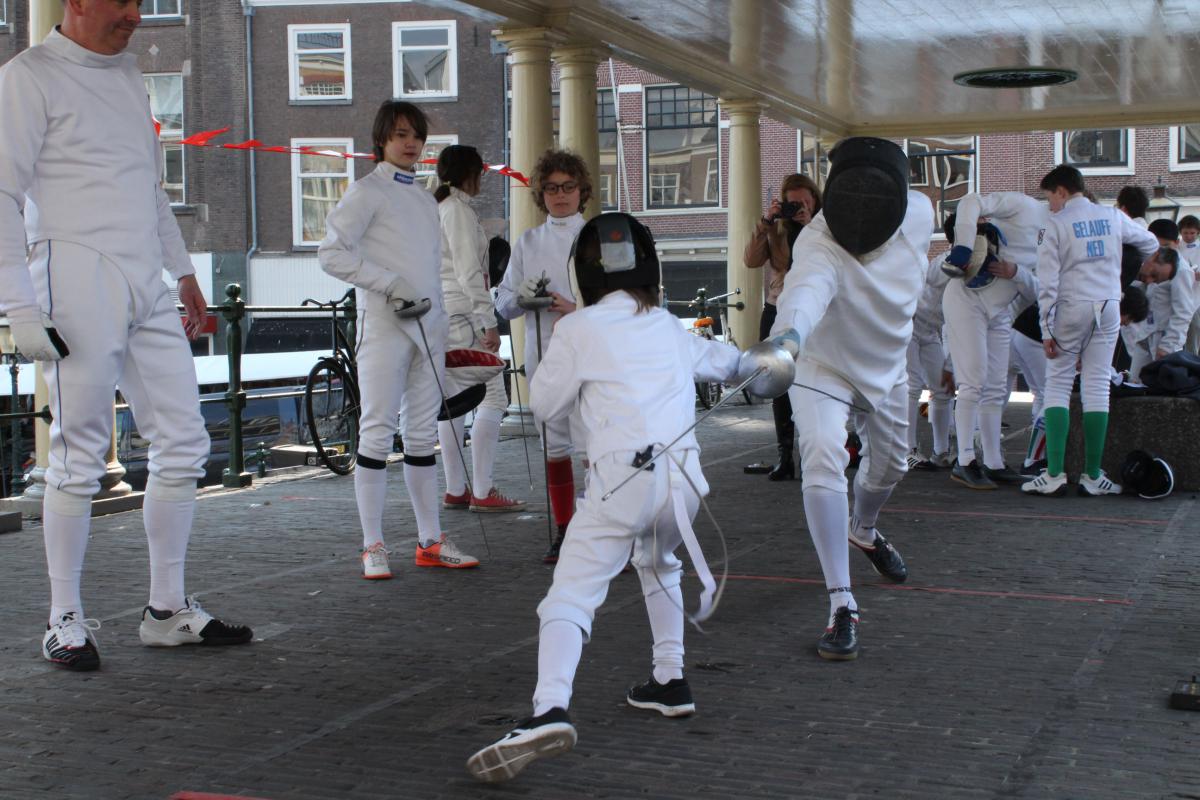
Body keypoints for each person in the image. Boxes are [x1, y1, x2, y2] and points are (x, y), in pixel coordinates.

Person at [0, 0, 252, 671]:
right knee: (78, 453)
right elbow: (1, 193)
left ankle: (166, 610)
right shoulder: (28, 75)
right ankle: (62, 618)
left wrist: (184, 272)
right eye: (122, 0)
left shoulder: (128, 74)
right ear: (78, 0)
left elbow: (150, 187)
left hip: (145, 278)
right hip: (73, 270)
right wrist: (19, 308)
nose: (136, 14)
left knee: (186, 441)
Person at [466, 213, 741, 784]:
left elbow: (544, 406)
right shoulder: (668, 326)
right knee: (659, 561)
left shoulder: (579, 329)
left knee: (570, 593)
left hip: (624, 480)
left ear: (585, 274)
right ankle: (669, 680)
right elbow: (737, 366)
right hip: (685, 486)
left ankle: (548, 709)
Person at [770, 137, 933, 661]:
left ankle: (864, 530)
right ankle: (842, 601)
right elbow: (803, 295)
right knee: (822, 452)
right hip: (825, 363)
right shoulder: (817, 242)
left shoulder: (921, 213)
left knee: (891, 466)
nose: (863, 212)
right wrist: (786, 341)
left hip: (888, 365)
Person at [319, 100, 479, 578]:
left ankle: (430, 540)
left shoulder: (425, 200)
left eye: (416, 136)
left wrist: (443, 323)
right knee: (376, 430)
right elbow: (331, 254)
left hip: (428, 329)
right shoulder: (366, 192)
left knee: (422, 434)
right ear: (382, 140)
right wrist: (389, 284)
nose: (410, 144)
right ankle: (373, 545)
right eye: (401, 135)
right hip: (385, 327)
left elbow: (432, 270)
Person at [1022, 165, 1159, 497]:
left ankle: (1054, 474)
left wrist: (1046, 329)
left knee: (1057, 384)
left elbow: (1048, 283)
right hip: (1108, 304)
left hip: (1072, 305)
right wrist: (1121, 268)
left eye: (1050, 197)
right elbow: (1150, 241)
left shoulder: (1055, 224)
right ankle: (1093, 475)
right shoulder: (1112, 216)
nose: (1050, 204)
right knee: (1097, 386)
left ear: (1062, 191)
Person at [495, 150, 591, 563]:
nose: (560, 195)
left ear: (581, 190)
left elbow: (626, 305)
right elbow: (503, 304)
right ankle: (565, 529)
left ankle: (602, 531)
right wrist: (521, 297)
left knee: (594, 449)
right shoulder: (528, 242)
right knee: (554, 446)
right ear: (541, 194)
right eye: (551, 188)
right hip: (544, 359)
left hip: (591, 358)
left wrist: (576, 307)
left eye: (568, 187)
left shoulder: (597, 237)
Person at [433, 145, 525, 513]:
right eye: (480, 173)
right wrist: (489, 322)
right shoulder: (456, 211)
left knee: (454, 400)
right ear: (470, 173)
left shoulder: (442, 207)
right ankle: (483, 491)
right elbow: (469, 272)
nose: (483, 178)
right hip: (465, 315)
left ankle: (456, 488)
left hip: (446, 314)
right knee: (494, 399)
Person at [940, 192, 1044, 490]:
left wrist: (1016, 272)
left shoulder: (1060, 235)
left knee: (996, 387)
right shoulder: (1023, 205)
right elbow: (969, 201)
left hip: (999, 311)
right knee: (972, 383)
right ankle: (964, 460)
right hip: (966, 301)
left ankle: (994, 461)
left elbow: (1040, 293)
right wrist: (963, 248)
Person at [743, 174, 821, 481]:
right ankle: (785, 456)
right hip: (777, 308)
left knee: (813, 381)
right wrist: (766, 222)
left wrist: (811, 225)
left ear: (815, 199)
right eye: (793, 204)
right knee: (778, 381)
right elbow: (750, 261)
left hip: (813, 312)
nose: (798, 208)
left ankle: (813, 453)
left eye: (804, 202)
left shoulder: (825, 226)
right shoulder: (776, 228)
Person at [906, 216, 955, 470]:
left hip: (931, 331)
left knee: (943, 389)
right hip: (910, 325)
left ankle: (941, 451)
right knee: (912, 386)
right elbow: (933, 277)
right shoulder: (945, 260)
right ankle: (906, 450)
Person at [1122, 247, 1196, 376]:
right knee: (1135, 379)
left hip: (1162, 337)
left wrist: (1168, 345)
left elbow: (1183, 313)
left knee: (1157, 382)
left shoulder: (1182, 270)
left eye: (1155, 278)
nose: (1150, 281)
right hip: (1145, 333)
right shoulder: (1135, 259)